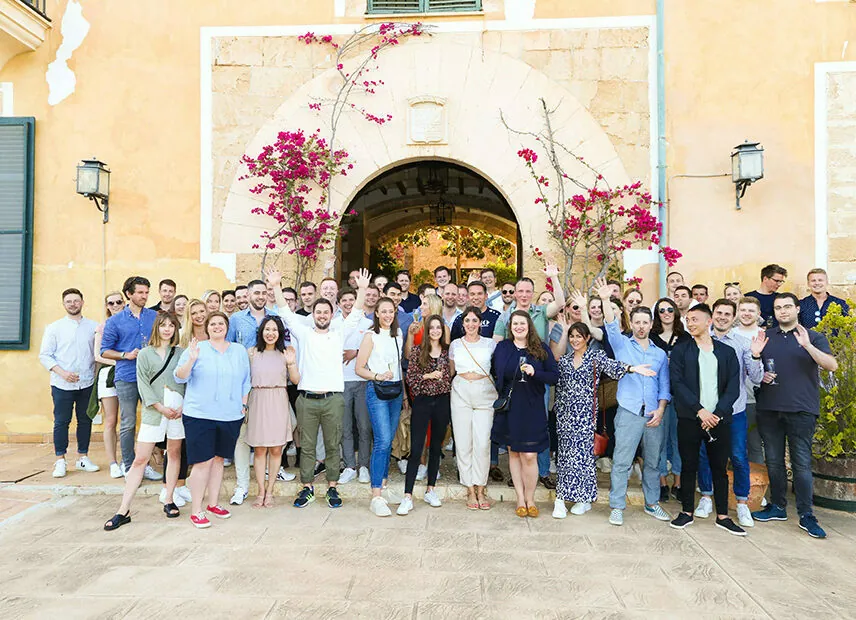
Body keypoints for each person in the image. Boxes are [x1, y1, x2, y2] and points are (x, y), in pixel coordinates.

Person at [269, 267, 370, 510]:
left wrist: (363, 289)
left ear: (333, 313)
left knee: (333, 444)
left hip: (333, 399)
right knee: (308, 445)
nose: (322, 315)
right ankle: (307, 488)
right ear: (313, 314)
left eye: (326, 312)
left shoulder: (339, 333)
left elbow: (356, 314)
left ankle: (332, 487)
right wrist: (275, 286)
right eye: (318, 311)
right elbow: (285, 312)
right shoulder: (303, 333)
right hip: (307, 399)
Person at [752, 293, 838, 539]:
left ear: (797, 309)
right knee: (774, 462)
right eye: (778, 307)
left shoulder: (813, 336)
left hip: (801, 410)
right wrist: (756, 356)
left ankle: (806, 514)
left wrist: (808, 346)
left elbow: (831, 365)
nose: (782, 311)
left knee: (801, 464)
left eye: (787, 307)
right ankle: (778, 507)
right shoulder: (765, 337)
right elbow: (753, 372)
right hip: (769, 408)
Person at [553, 321, 652, 519]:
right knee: (564, 458)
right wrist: (564, 332)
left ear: (587, 338)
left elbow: (614, 367)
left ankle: (584, 499)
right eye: (572, 336)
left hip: (585, 417)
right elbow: (555, 364)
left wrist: (633, 369)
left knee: (584, 459)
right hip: (565, 416)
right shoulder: (565, 360)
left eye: (578, 336)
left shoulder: (595, 357)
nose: (575, 340)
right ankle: (561, 499)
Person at [104, 312, 185, 530]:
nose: (167, 329)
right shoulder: (145, 354)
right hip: (154, 411)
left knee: (174, 453)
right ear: (156, 328)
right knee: (141, 459)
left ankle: (169, 498)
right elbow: (143, 385)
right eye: (163, 325)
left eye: (171, 325)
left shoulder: (181, 353)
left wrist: (182, 406)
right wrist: (160, 407)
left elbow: (188, 381)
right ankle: (123, 508)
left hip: (177, 411)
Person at [668, 304, 745, 535]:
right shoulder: (682, 350)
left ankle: (723, 516)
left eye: (695, 319)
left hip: (719, 420)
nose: (690, 323)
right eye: (688, 320)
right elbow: (677, 384)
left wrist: (717, 413)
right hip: (691, 419)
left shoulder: (726, 352)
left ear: (708, 321)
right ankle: (687, 512)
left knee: (719, 468)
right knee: (689, 465)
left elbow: (733, 387)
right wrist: (699, 410)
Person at [601, 281, 671, 526]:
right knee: (622, 461)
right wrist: (605, 300)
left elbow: (665, 386)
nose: (641, 326)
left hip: (653, 414)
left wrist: (661, 410)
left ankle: (652, 503)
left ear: (651, 324)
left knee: (652, 462)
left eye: (645, 322)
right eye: (637, 322)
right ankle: (617, 506)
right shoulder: (622, 345)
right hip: (629, 412)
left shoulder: (659, 354)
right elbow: (610, 326)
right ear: (632, 323)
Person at [174, 312, 251, 528]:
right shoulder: (197, 348)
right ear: (207, 328)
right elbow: (179, 376)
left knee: (218, 460)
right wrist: (191, 359)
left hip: (230, 415)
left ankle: (213, 503)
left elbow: (246, 381)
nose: (217, 327)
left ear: (227, 327)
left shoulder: (238, 351)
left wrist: (243, 404)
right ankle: (196, 509)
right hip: (200, 415)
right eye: (213, 324)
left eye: (221, 323)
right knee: (203, 462)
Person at [694, 299, 766, 529]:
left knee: (737, 456)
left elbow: (755, 378)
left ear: (733, 317)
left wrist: (755, 356)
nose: (723, 317)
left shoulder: (743, 343)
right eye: (719, 313)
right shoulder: (700, 340)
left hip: (734, 411)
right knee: (705, 455)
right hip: (705, 411)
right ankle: (706, 496)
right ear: (712, 315)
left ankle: (742, 502)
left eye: (727, 313)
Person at [493, 310, 559, 518]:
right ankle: (520, 499)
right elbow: (496, 373)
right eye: (515, 324)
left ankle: (531, 498)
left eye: (522, 323)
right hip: (511, 407)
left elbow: (555, 376)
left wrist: (535, 373)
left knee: (529, 455)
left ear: (529, 326)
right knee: (514, 452)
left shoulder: (540, 349)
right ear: (510, 327)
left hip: (532, 408)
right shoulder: (503, 348)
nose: (519, 327)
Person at [101, 276, 160, 478]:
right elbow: (104, 351)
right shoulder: (114, 321)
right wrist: (125, 355)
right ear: (129, 294)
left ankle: (145, 463)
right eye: (141, 293)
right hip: (126, 376)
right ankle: (129, 465)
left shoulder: (154, 316)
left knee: (151, 421)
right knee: (128, 422)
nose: (145, 296)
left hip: (151, 377)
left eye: (146, 292)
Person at [39, 288, 100, 478]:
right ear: (63, 304)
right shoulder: (54, 328)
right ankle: (60, 460)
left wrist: (94, 376)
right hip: (61, 384)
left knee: (85, 420)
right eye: (69, 301)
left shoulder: (94, 326)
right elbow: (45, 355)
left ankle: (83, 457)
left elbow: (97, 355)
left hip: (86, 383)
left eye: (76, 300)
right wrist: (63, 373)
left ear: (82, 302)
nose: (73, 304)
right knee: (62, 421)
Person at [355, 296, 407, 517]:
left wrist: (404, 393)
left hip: (396, 391)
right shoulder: (370, 336)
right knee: (383, 441)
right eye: (383, 311)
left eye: (391, 311)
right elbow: (359, 368)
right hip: (377, 390)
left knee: (389, 440)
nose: (387, 315)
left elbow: (399, 365)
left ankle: (383, 487)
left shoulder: (398, 334)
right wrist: (377, 375)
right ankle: (375, 495)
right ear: (376, 313)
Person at [397, 315, 452, 515]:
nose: (436, 331)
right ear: (427, 330)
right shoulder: (418, 351)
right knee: (417, 447)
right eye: (432, 327)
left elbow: (448, 379)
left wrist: (432, 379)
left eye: (439, 327)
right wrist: (428, 376)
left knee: (436, 447)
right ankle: (407, 495)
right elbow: (411, 379)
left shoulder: (447, 351)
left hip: (442, 401)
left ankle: (431, 489)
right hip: (422, 403)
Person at [247, 316, 299, 508]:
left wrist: (291, 363)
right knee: (260, 449)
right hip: (258, 400)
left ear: (280, 333)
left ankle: (270, 491)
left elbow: (295, 380)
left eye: (274, 330)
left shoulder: (285, 353)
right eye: (267, 329)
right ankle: (260, 491)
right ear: (261, 332)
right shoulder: (251, 353)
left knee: (277, 448)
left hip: (278, 399)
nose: (270, 333)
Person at [449, 307, 498, 510]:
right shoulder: (455, 345)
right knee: (463, 441)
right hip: (460, 391)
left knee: (482, 441)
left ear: (480, 323)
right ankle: (469, 488)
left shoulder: (490, 344)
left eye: (474, 321)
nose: (470, 324)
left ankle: (481, 486)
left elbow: (497, 367)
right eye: (467, 321)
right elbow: (451, 371)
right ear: (463, 324)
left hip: (485, 392)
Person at [651, 296, 691, 503]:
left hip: (681, 396)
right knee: (658, 441)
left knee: (679, 440)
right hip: (657, 397)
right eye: (661, 310)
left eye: (669, 309)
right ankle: (661, 483)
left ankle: (678, 482)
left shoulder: (685, 337)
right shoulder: (651, 337)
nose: (666, 313)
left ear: (675, 312)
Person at [336, 288, 374, 485]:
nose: (349, 303)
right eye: (345, 300)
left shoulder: (368, 323)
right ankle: (350, 466)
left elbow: (375, 348)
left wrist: (357, 352)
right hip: (341, 382)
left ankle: (364, 466)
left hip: (363, 381)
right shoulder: (334, 323)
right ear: (339, 303)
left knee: (364, 425)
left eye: (352, 299)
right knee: (345, 427)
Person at [94, 291, 125, 478]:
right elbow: (98, 355)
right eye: (110, 303)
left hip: (129, 375)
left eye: (118, 302)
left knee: (129, 420)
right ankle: (113, 462)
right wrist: (122, 361)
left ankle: (128, 460)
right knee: (111, 420)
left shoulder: (130, 323)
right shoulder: (102, 327)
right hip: (109, 376)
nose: (114, 305)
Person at [735, 296, 765, 464]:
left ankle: (757, 486)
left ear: (758, 313)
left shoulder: (765, 335)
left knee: (754, 445)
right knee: (733, 446)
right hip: (733, 399)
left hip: (755, 398)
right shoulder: (730, 335)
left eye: (751, 310)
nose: (746, 314)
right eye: (743, 310)